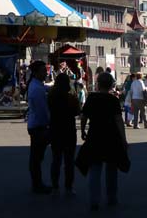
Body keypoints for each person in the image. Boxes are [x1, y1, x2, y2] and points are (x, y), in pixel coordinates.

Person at [79, 71, 129, 210]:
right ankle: (112, 198)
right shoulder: (113, 100)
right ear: (111, 85)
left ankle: (94, 200)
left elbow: (84, 116)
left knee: (95, 169)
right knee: (111, 169)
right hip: (111, 137)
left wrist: (83, 131)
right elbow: (119, 121)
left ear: (98, 84)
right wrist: (123, 140)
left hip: (95, 135)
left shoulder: (92, 98)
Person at [47, 72, 80, 194]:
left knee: (56, 158)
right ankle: (69, 187)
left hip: (55, 128)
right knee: (69, 160)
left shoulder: (51, 95)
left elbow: (48, 109)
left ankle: (55, 184)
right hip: (69, 129)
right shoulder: (71, 96)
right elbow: (77, 111)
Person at [27, 60, 51, 194]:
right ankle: (37, 184)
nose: (46, 73)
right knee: (36, 157)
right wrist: (48, 124)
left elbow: (45, 88)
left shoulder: (36, 84)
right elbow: (42, 111)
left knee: (36, 157)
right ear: (36, 73)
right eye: (43, 71)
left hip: (35, 124)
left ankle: (37, 183)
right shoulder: (36, 88)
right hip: (38, 126)